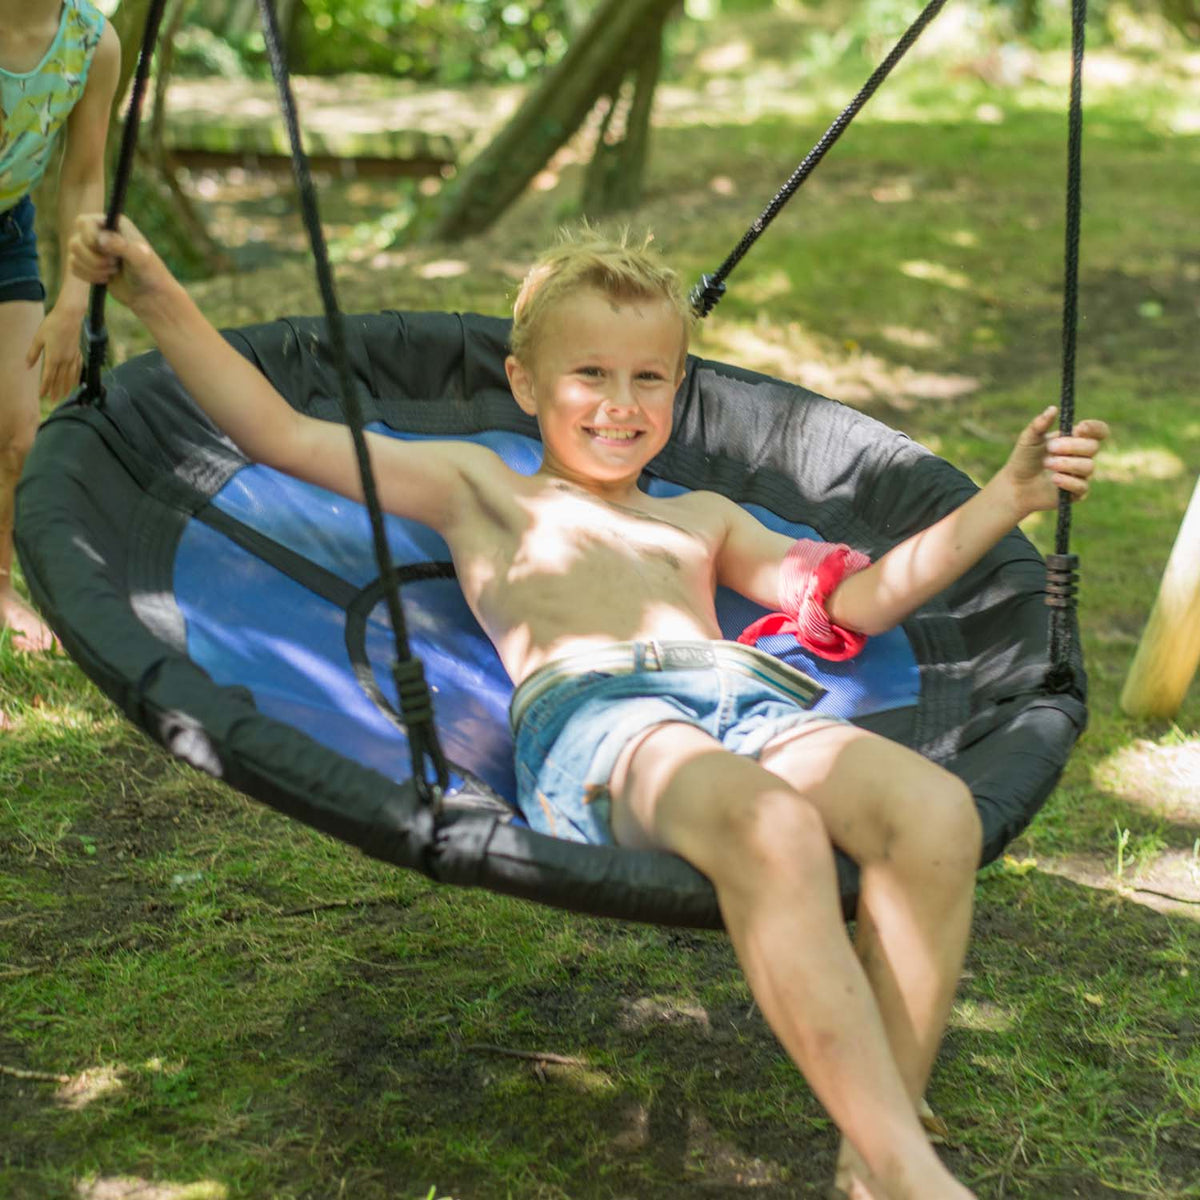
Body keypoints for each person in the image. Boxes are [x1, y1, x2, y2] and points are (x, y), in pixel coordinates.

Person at [69, 214, 1108, 1200]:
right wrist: (154, 289)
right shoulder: (484, 487)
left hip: (745, 707)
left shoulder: (702, 516)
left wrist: (1001, 501)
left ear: (680, 388)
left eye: (649, 377)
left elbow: (860, 598)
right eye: (589, 375)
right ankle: (908, 1169)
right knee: (770, 826)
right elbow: (281, 433)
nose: (621, 402)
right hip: (604, 723)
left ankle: (874, 1149)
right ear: (523, 383)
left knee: (936, 814)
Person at [0, 0, 120, 651]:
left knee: (18, 439)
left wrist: (75, 297)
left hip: (7, 228)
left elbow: (83, 175)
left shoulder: (92, 44)